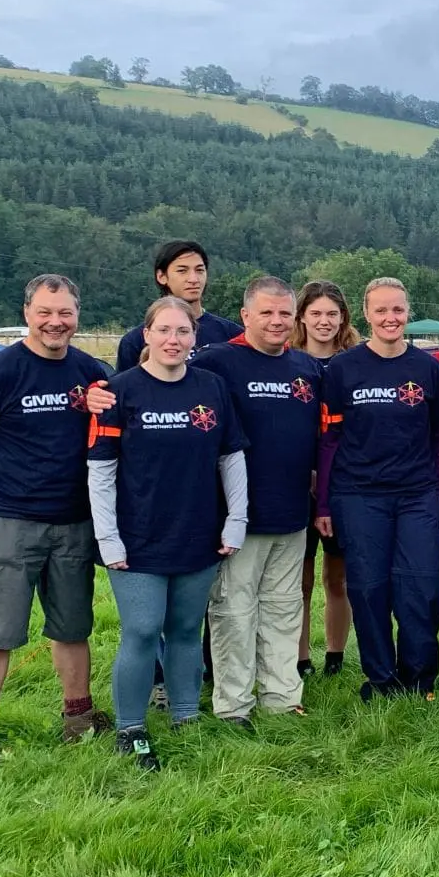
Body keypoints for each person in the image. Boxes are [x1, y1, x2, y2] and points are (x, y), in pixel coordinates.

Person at [0, 275, 112, 781]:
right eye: (45, 312)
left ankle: (78, 719)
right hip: (10, 523)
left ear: (77, 314)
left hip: (73, 522)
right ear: (27, 312)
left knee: (72, 627)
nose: (55, 322)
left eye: (64, 313)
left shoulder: (92, 372)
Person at [88, 297, 249, 770]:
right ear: (147, 335)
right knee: (140, 630)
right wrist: (107, 538)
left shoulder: (213, 388)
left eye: (182, 331)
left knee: (184, 630)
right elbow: (100, 471)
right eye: (164, 331)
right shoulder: (120, 391)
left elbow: (231, 458)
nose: (173, 340)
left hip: (198, 531)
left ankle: (185, 716)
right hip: (136, 537)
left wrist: (234, 520)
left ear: (194, 338)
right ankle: (130, 726)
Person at [314, 278, 439, 701]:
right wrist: (323, 501)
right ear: (366, 315)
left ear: (407, 312)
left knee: (425, 585)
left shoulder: (427, 368)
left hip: (416, 496)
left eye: (397, 310)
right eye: (381, 311)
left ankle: (419, 676)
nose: (390, 318)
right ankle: (381, 678)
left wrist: (435, 492)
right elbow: (329, 441)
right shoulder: (343, 369)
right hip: (358, 495)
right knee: (368, 587)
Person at [193, 277, 324, 726]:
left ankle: (282, 697)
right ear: (245, 315)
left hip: (292, 513)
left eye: (285, 313)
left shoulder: (307, 369)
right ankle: (233, 705)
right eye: (266, 312)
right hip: (237, 517)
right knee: (233, 611)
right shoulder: (216, 363)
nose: (276, 321)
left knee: (285, 609)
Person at [292, 280, 357, 676]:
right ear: (302, 316)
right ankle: (299, 659)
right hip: (296, 481)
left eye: (331, 313)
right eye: (315, 313)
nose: (324, 321)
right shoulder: (288, 361)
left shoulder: (355, 361)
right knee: (298, 578)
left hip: (342, 482)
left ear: (343, 318)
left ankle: (335, 655)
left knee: (339, 576)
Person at [114, 239, 239, 372]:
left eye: (199, 270)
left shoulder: (231, 334)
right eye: (182, 271)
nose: (193, 279)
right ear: (161, 276)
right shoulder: (135, 341)